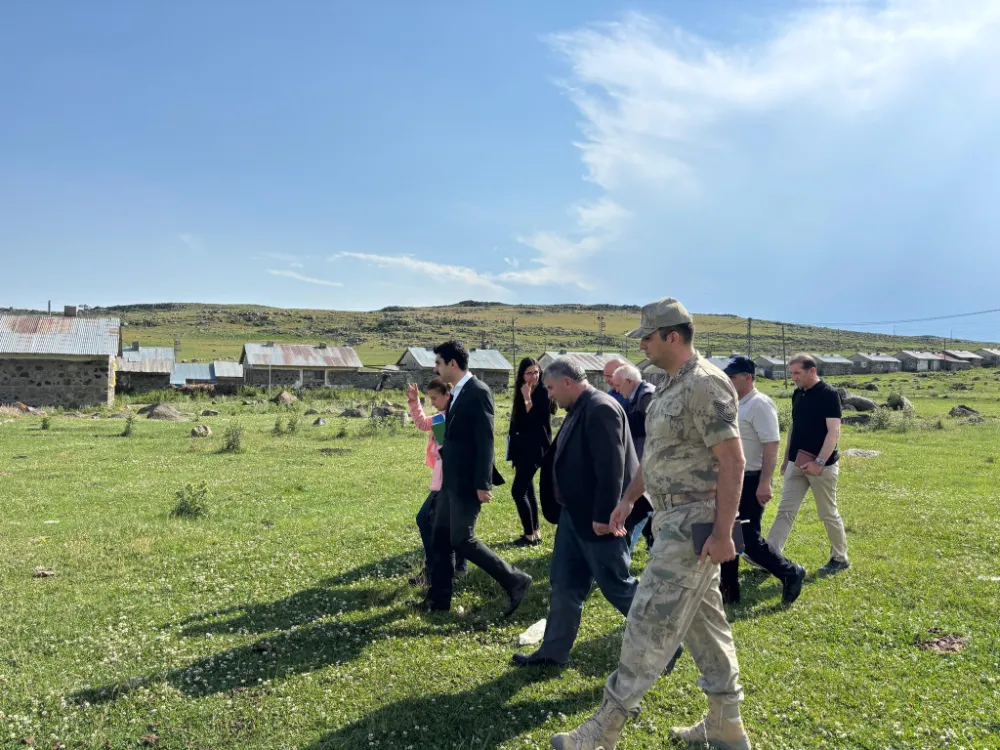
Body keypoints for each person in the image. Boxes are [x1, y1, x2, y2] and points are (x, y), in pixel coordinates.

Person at [551, 297, 752, 750]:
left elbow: (733, 461)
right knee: (705, 625)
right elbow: (657, 454)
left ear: (673, 336)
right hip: (670, 516)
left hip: (695, 522)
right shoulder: (668, 384)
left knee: (647, 619)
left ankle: (605, 729)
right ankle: (726, 723)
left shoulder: (706, 383)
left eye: (647, 336)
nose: (641, 344)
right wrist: (628, 499)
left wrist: (723, 533)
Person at [511, 359, 639, 668]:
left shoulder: (600, 408)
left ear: (568, 382)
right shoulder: (580, 407)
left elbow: (611, 467)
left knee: (618, 586)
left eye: (551, 387)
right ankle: (552, 652)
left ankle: (667, 644)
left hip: (599, 519)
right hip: (574, 516)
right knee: (565, 583)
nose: (549, 395)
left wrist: (604, 516)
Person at [416, 339, 532, 616]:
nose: (436, 368)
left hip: (467, 482)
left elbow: (485, 440)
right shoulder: (457, 392)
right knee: (440, 538)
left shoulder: (478, 391)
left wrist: (482, 484)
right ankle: (438, 601)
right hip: (450, 481)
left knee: (462, 539)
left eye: (438, 363)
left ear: (452, 363)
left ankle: (516, 580)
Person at [719, 356, 806, 605]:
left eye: (731, 377)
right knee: (729, 533)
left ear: (747, 378)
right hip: (731, 478)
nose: (727, 381)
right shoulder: (734, 403)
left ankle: (790, 572)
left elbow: (771, 444)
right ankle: (729, 590)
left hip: (751, 479)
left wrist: (765, 482)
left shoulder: (760, 404)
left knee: (748, 538)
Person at [766, 354, 849, 575]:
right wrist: (787, 459)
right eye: (791, 373)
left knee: (827, 513)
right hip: (796, 464)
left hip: (822, 467)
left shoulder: (828, 395)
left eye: (797, 373)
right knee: (785, 511)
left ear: (812, 371)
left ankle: (840, 558)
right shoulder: (798, 394)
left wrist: (819, 462)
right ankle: (771, 557)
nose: (793, 378)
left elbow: (834, 432)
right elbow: (795, 428)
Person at [406, 378, 467, 587]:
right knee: (453, 524)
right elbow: (423, 424)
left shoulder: (449, 418)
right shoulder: (443, 417)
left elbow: (446, 449)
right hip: (444, 480)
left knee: (426, 520)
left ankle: (435, 571)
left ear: (447, 395)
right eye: (429, 398)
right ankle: (457, 567)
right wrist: (414, 402)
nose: (432, 402)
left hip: (447, 482)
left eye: (434, 398)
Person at [507, 357, 553, 546]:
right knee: (528, 490)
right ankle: (535, 533)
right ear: (522, 374)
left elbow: (536, 419)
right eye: (529, 373)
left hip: (536, 448)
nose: (534, 376)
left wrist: (527, 397)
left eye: (536, 372)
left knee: (518, 491)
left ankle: (528, 535)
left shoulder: (543, 392)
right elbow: (517, 420)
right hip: (520, 447)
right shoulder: (521, 390)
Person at [612, 364, 656, 553]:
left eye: (618, 385)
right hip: (642, 463)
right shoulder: (635, 397)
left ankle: (623, 554)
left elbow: (654, 433)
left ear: (629, 381)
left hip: (648, 462)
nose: (616, 390)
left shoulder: (647, 396)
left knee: (640, 510)